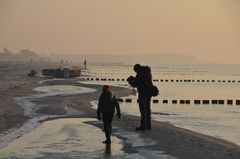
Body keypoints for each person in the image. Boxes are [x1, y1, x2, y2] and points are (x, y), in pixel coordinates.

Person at [127, 64, 153, 130]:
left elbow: (135, 84)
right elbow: (143, 81)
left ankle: (143, 126)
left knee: (143, 110)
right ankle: (148, 125)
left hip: (142, 93)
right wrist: (134, 78)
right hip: (149, 93)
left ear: (137, 69)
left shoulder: (140, 73)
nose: (136, 73)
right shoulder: (148, 72)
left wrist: (130, 81)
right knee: (148, 110)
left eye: (136, 71)